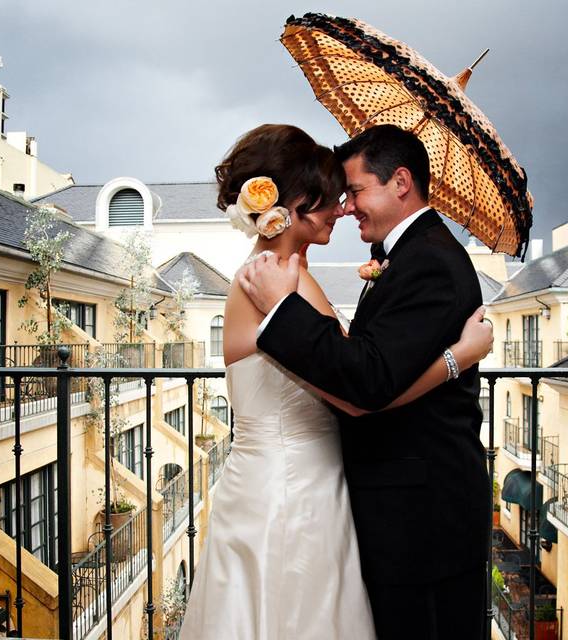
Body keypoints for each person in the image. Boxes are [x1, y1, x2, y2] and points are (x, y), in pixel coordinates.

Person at [178, 124, 493, 640]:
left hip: (349, 495)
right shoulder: (277, 280)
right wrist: (459, 356)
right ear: (298, 203)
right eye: (335, 197)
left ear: (401, 183)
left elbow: (355, 370)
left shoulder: (297, 274)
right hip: (293, 490)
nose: (343, 209)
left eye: (353, 193)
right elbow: (357, 392)